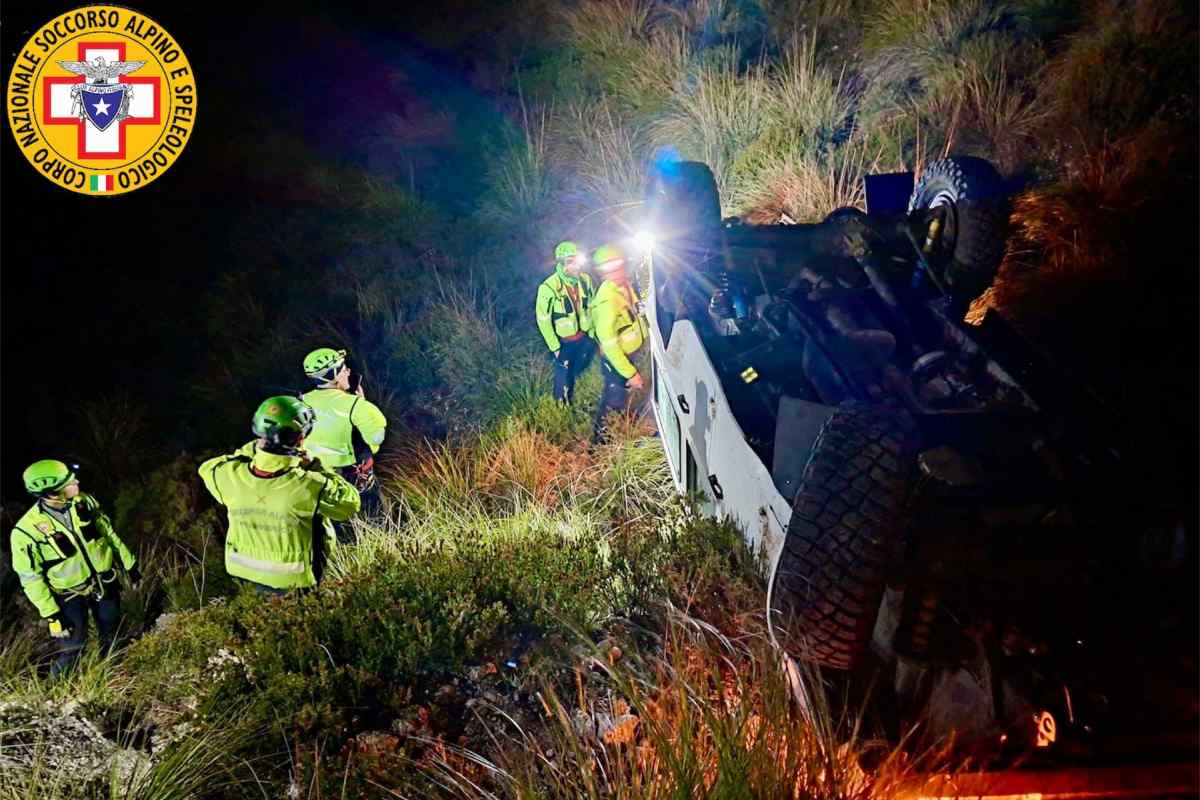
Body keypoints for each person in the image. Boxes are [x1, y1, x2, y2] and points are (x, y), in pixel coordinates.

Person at [198, 396, 360, 595]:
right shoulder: (309, 485)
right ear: (301, 439)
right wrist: (313, 465)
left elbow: (208, 467)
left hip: (244, 573)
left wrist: (258, 451)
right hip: (295, 582)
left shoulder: (227, 475)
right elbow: (349, 505)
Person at [9, 460, 139, 677]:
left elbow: (108, 533)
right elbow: (30, 578)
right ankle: (53, 695)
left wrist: (130, 564)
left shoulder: (85, 502)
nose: (76, 481)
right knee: (73, 648)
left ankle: (116, 676)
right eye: (68, 481)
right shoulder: (25, 532)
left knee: (112, 633)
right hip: (68, 597)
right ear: (51, 492)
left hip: (103, 582)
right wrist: (52, 614)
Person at [299, 348, 387, 521]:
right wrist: (361, 403)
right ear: (332, 375)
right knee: (373, 519)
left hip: (316, 478)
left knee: (330, 524)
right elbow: (377, 437)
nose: (348, 371)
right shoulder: (356, 405)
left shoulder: (300, 402)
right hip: (355, 477)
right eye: (343, 368)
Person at [590, 244, 649, 440]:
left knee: (622, 396)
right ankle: (599, 444)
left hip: (630, 353)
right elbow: (610, 346)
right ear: (601, 272)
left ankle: (623, 421)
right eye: (608, 269)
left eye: (617, 265)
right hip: (617, 360)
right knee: (613, 399)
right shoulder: (606, 302)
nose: (615, 271)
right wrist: (631, 374)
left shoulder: (624, 285)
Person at [536, 241, 597, 404]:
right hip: (564, 342)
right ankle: (560, 407)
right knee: (563, 375)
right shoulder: (548, 288)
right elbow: (543, 321)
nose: (576, 266)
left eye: (577, 261)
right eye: (571, 262)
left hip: (585, 335)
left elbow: (592, 305)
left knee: (581, 366)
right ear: (561, 264)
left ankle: (579, 385)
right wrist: (555, 347)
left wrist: (593, 333)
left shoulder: (586, 281)